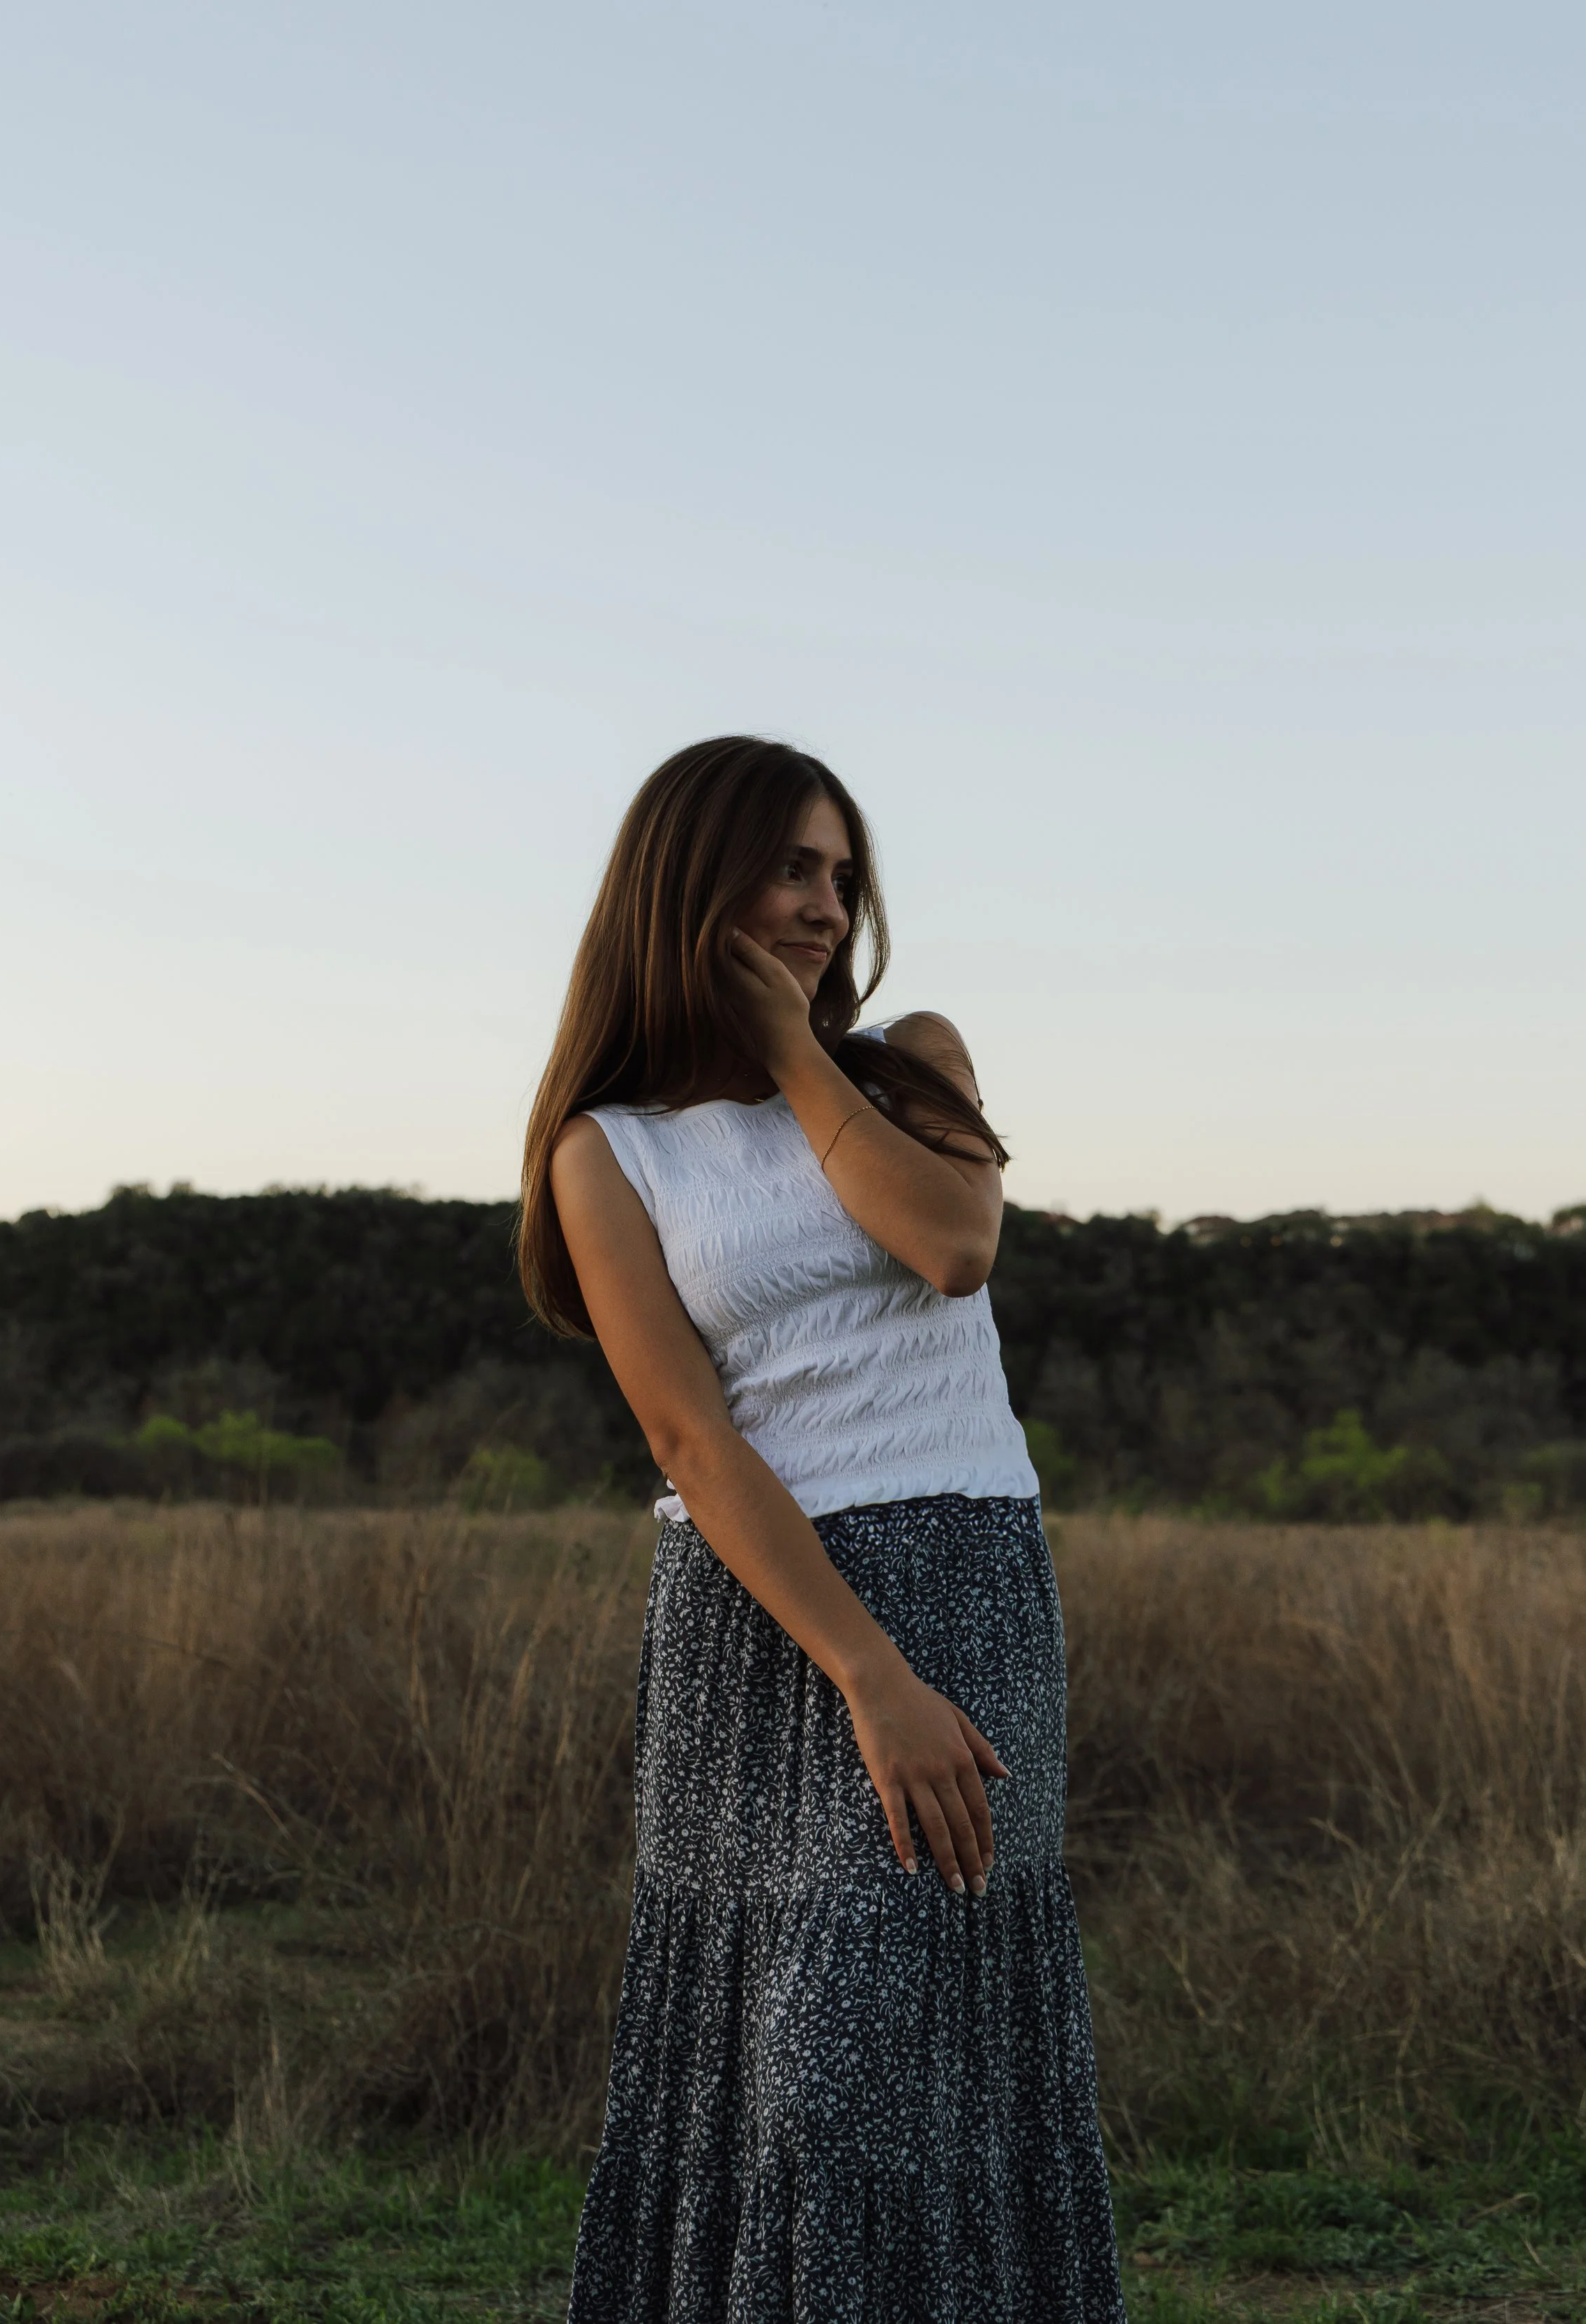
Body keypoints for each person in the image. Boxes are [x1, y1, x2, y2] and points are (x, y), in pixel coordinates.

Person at [519, 736, 1126, 2324]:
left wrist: (801, 1051)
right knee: (777, 2069)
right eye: (790, 866)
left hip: (966, 1584)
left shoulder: (907, 1059)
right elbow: (686, 1437)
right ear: (687, 873)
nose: (818, 902)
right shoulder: (608, 1148)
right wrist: (863, 1672)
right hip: (760, 1619)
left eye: (840, 876)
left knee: (860, 2059)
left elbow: (948, 1243)